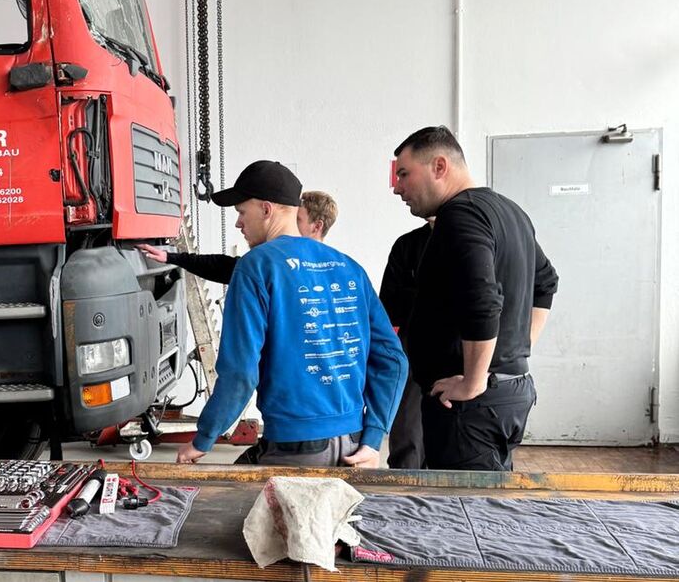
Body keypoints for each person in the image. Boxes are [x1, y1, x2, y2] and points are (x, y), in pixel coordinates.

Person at [174, 161, 407, 467]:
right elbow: (393, 359)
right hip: (353, 445)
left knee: (237, 509)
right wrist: (374, 439)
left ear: (266, 209)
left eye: (242, 212)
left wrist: (203, 439)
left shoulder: (256, 266)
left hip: (295, 448)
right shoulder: (348, 266)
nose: (238, 224)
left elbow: (240, 373)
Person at [392, 126, 559, 471]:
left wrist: (474, 379)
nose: (398, 188)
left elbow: (481, 299)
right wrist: (515, 347)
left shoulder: (461, 214)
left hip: (471, 409)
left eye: (405, 174)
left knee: (467, 513)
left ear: (439, 166)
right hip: (509, 391)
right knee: (489, 506)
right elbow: (546, 282)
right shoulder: (510, 211)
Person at [136, 190, 338, 284]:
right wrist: (172, 257)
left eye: (298, 219)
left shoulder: (329, 274)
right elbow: (224, 267)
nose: (290, 224)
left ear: (317, 227)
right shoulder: (270, 265)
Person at [380, 218, 433, 469]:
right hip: (412, 351)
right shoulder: (408, 245)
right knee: (408, 434)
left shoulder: (474, 239)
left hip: (463, 356)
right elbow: (388, 308)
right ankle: (406, 492)